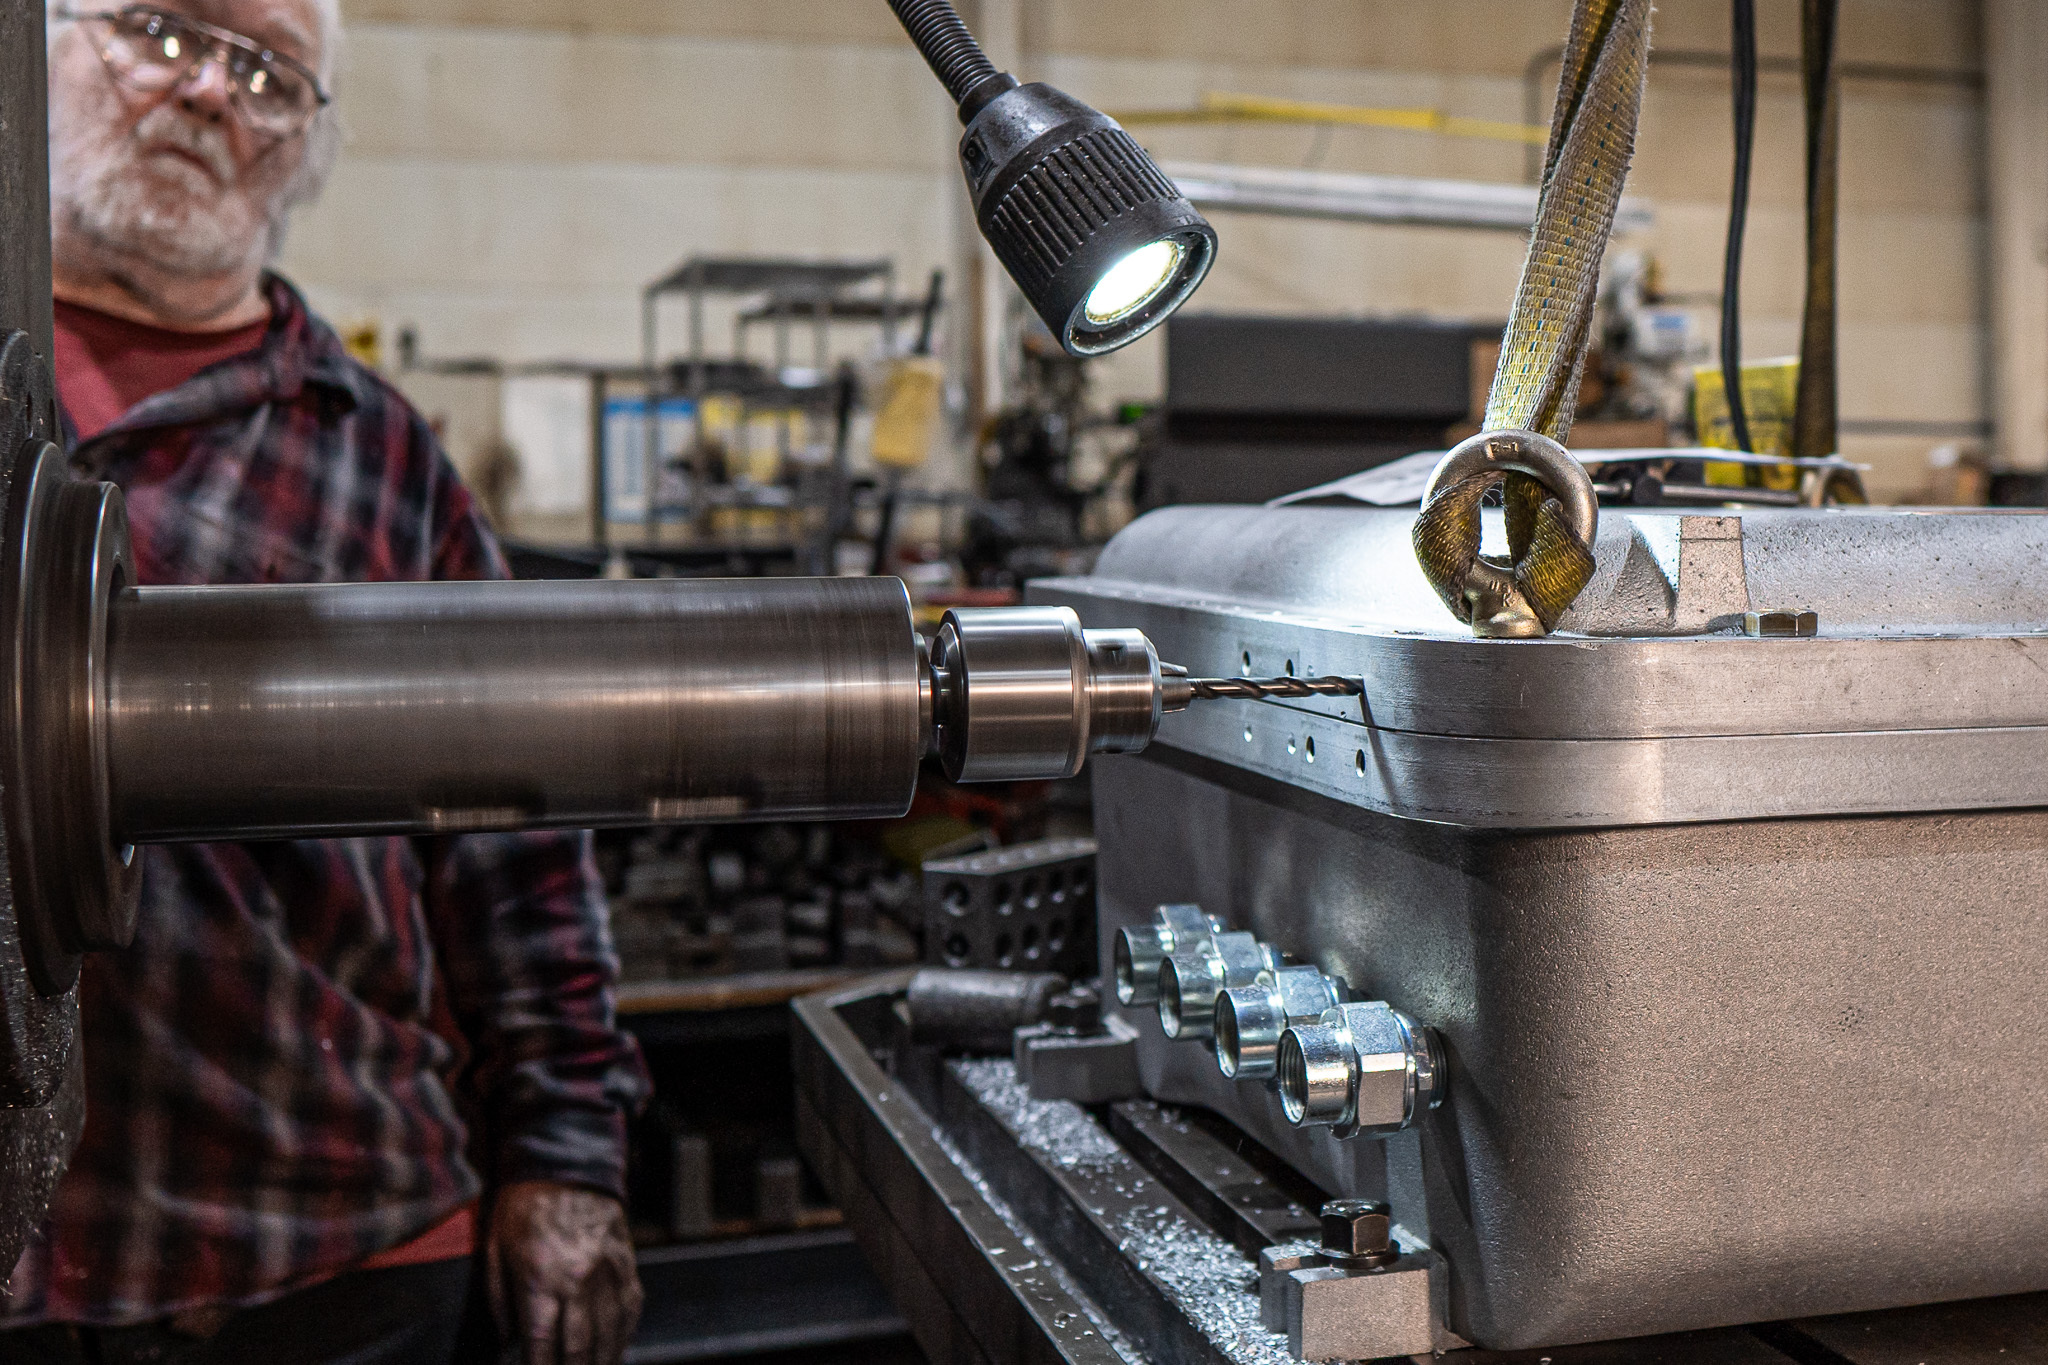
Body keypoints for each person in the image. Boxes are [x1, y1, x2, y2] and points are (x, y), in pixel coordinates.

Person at [0, 1, 652, 1361]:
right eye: (160, 30)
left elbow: (523, 854)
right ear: (40, 45)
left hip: (331, 1256)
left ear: (303, 149)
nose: (206, 95)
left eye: (266, 75)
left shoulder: (380, 457)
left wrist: (568, 1155)